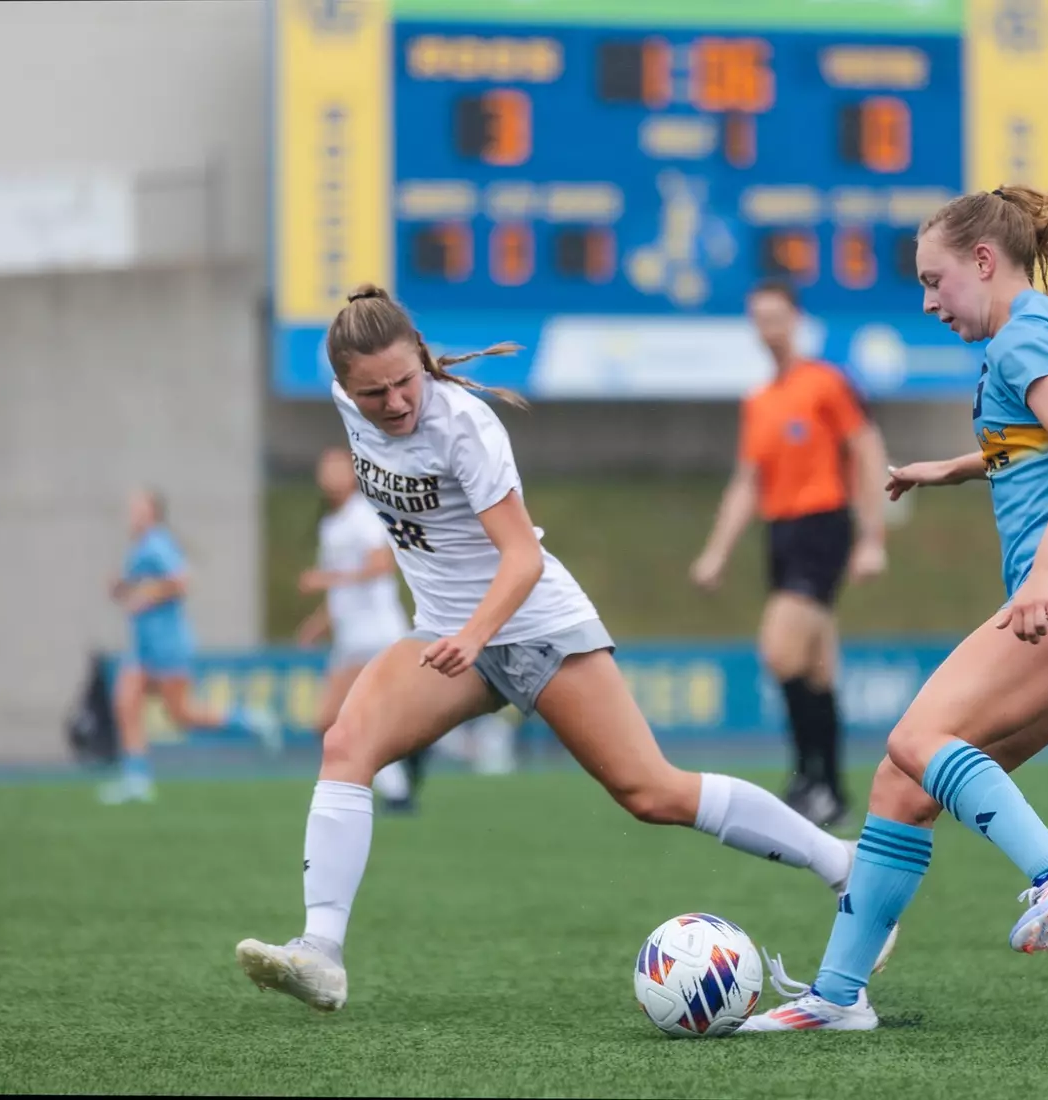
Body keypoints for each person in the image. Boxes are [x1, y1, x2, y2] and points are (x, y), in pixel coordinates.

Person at [235, 285, 888, 1013]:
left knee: (651, 792)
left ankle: (847, 867)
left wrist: (472, 635)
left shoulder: (464, 428)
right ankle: (319, 953)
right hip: (450, 634)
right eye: (372, 393)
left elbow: (521, 560)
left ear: (422, 357)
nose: (392, 403)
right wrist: (458, 636)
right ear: (344, 387)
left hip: (534, 625)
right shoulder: (346, 396)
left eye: (403, 382)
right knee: (345, 746)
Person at [742, 169, 1048, 1033]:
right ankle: (837, 998)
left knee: (917, 737)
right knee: (903, 785)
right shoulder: (1040, 331)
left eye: (935, 281)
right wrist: (956, 468)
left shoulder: (1019, 339)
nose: (930, 302)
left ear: (982, 258)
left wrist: (1045, 573)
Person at [691, 278, 891, 828]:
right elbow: (746, 482)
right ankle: (830, 789)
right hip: (780, 534)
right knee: (816, 667)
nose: (767, 327)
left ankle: (808, 779)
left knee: (779, 651)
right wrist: (717, 552)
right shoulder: (759, 401)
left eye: (776, 316)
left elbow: (867, 451)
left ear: (796, 320)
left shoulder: (826, 384)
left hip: (823, 525)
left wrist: (873, 537)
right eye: (758, 316)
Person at [101, 488, 280, 805]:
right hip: (143, 646)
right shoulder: (140, 547)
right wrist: (122, 588)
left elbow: (181, 581)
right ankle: (137, 778)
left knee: (182, 714)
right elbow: (140, 591)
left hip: (168, 643)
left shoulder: (158, 542)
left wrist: (144, 596)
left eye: (138, 508)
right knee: (126, 700)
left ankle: (251, 719)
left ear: (153, 512)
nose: (132, 514)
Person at [294, 447, 425, 812]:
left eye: (336, 468)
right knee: (345, 721)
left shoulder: (363, 516)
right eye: (324, 469)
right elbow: (341, 588)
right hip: (351, 636)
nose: (328, 476)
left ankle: (397, 785)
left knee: (335, 719)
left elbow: (382, 565)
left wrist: (324, 579)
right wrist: (318, 624)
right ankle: (399, 783)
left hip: (377, 632)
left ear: (352, 474)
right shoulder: (332, 523)